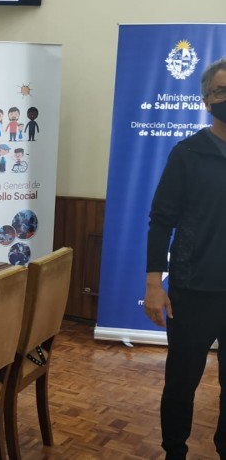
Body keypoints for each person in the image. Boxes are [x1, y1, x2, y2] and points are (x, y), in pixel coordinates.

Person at [143, 57, 226, 459]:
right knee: (181, 383)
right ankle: (174, 451)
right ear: (207, 100)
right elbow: (161, 221)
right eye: (221, 91)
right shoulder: (187, 154)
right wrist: (152, 285)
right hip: (193, 291)